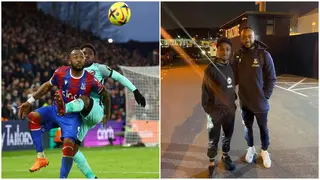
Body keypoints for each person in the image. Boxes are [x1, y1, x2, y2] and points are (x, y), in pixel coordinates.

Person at [54, 43, 146, 179]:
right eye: (84, 53)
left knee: (85, 98)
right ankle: (92, 177)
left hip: (95, 109)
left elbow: (119, 77)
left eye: (90, 53)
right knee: (71, 149)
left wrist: (135, 90)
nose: (86, 55)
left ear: (94, 57)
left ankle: (65, 108)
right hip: (81, 116)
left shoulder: (99, 68)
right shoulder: (72, 71)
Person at [18, 49, 110, 178]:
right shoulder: (61, 72)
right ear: (69, 60)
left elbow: (105, 94)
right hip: (55, 110)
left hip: (73, 117)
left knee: (68, 147)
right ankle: (41, 157)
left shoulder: (90, 79)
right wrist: (30, 101)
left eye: (81, 57)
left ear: (84, 61)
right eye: (75, 57)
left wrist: (107, 113)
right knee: (33, 117)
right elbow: (46, 86)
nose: (79, 59)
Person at [232, 27, 276, 168]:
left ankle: (264, 151)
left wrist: (265, 96)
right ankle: (250, 149)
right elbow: (233, 78)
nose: (247, 40)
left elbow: (271, 78)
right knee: (247, 128)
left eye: (249, 36)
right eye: (244, 37)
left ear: (254, 36)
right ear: (241, 38)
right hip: (245, 101)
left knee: (263, 128)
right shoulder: (237, 56)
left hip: (260, 102)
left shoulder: (264, 55)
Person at [201, 37, 237, 178]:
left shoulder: (231, 68)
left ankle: (225, 156)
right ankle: (211, 162)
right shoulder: (210, 70)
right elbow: (205, 94)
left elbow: (232, 88)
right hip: (215, 112)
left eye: (228, 49)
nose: (225, 52)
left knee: (227, 136)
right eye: (222, 49)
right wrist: (209, 111)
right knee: (213, 138)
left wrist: (233, 104)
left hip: (229, 111)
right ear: (217, 49)